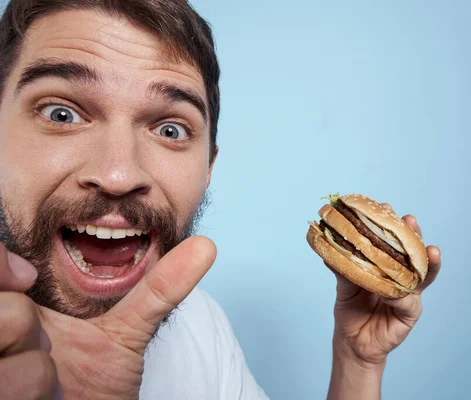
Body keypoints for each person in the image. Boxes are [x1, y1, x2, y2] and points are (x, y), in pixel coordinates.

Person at [0, 1, 442, 399]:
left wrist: (357, 361)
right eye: (61, 113)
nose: (119, 175)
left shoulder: (200, 325)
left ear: (209, 167)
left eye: (170, 129)